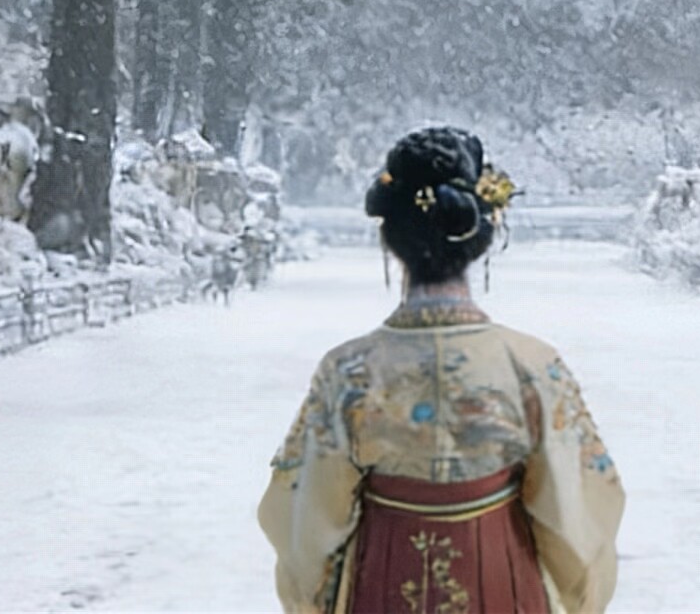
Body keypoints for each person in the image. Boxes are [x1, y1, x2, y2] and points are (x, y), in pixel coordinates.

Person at [258, 127, 624, 614]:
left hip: (386, 583)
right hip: (502, 582)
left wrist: (313, 598)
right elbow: (578, 516)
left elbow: (304, 523)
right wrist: (578, 595)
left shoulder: (348, 372)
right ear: (481, 236)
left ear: (391, 240)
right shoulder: (532, 366)